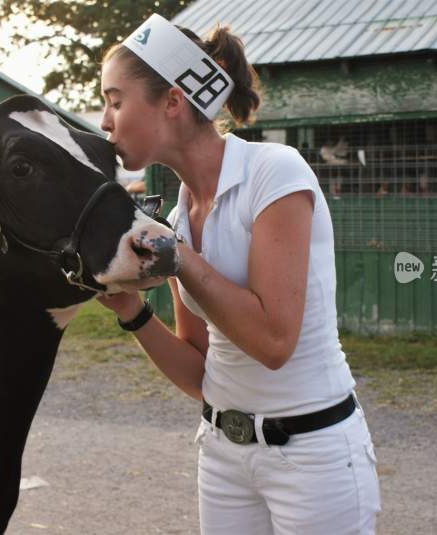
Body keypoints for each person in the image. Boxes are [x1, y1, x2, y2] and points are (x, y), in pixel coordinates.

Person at [97, 13, 381, 535]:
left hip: (312, 456)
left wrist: (180, 258)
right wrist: (132, 313)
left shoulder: (275, 172)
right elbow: (201, 374)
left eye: (115, 100)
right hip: (223, 455)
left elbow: (275, 342)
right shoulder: (180, 215)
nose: (104, 120)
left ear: (172, 102)